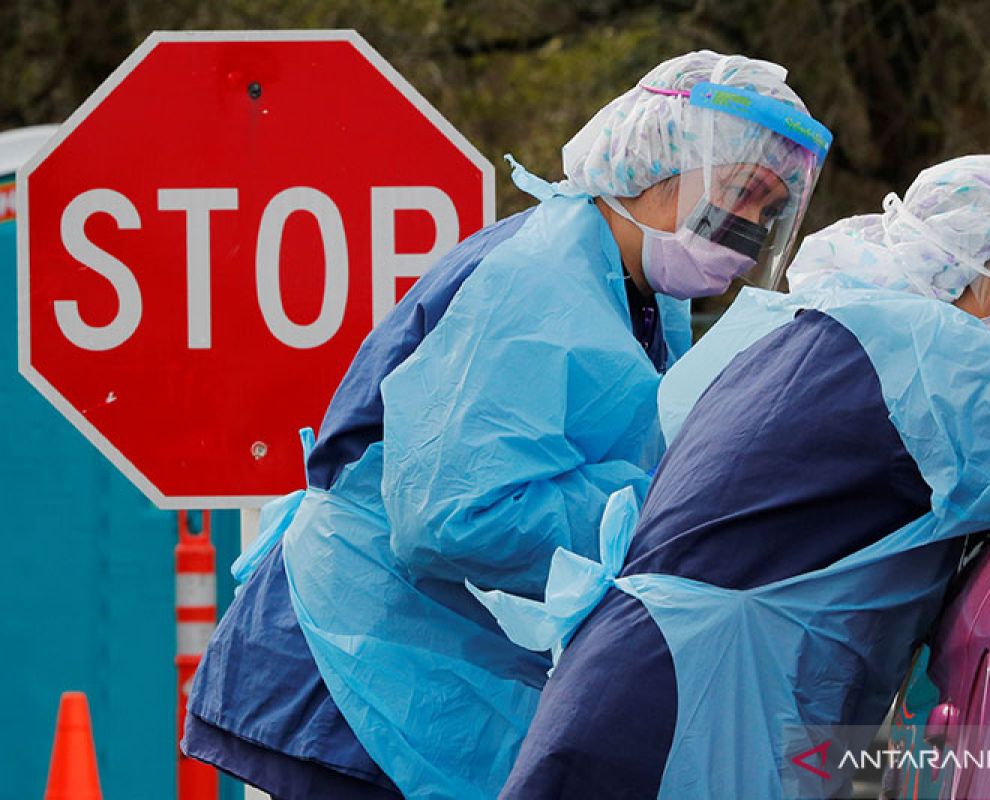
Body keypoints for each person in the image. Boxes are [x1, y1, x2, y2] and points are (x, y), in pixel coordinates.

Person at [182, 51, 831, 800]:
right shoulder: (538, 280)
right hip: (353, 663)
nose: (750, 229)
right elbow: (453, 514)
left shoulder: (636, 288)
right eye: (741, 192)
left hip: (412, 660)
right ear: (658, 159)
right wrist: (646, 515)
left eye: (770, 210)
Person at [471, 154, 990, 799]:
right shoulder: (926, 355)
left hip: (665, 678)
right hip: (689, 700)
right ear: (958, 254)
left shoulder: (842, 322)